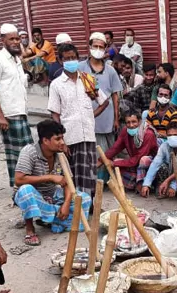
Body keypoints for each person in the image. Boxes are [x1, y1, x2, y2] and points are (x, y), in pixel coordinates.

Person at [14, 120, 92, 246]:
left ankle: (49, 218)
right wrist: (50, 177)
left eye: (62, 138)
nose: (62, 142)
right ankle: (30, 230)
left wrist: (66, 204)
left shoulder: (60, 155)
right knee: (25, 190)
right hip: (34, 195)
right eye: (57, 139)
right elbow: (19, 180)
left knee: (85, 199)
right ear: (45, 141)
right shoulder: (29, 152)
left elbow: (68, 182)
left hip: (53, 195)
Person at [48, 42, 105, 199]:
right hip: (70, 136)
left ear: (78, 59)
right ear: (60, 61)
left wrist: (90, 115)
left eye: (73, 57)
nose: (71, 60)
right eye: (67, 58)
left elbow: (104, 101)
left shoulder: (88, 80)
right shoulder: (56, 85)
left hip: (88, 133)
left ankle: (91, 205)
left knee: (91, 172)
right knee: (75, 174)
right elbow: (55, 114)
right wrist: (61, 140)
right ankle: (78, 206)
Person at [0, 24, 33, 188]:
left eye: (17, 38)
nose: (15, 42)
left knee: (26, 154)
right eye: (11, 39)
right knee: (17, 156)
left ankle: (25, 187)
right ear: (3, 40)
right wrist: (0, 116)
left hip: (21, 112)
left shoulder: (16, 59)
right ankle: (18, 189)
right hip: (9, 115)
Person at [80, 31, 123, 152]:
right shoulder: (80, 67)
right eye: (95, 46)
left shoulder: (110, 71)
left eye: (101, 47)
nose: (98, 49)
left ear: (105, 49)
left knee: (108, 151)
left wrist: (116, 118)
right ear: (89, 47)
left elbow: (115, 96)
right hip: (87, 115)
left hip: (107, 116)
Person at [101, 110, 159, 190]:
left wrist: (113, 163)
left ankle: (146, 184)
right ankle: (135, 184)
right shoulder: (125, 130)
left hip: (149, 165)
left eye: (134, 122)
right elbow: (115, 148)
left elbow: (138, 159)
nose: (131, 125)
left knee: (143, 160)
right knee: (118, 164)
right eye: (128, 122)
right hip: (135, 163)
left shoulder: (148, 134)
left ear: (139, 122)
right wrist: (102, 160)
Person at [141, 121, 177, 198]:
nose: (172, 137)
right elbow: (155, 164)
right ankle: (162, 187)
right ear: (166, 135)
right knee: (161, 166)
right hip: (171, 173)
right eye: (170, 135)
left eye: (175, 135)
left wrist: (173, 186)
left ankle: (174, 189)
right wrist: (146, 184)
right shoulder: (164, 146)